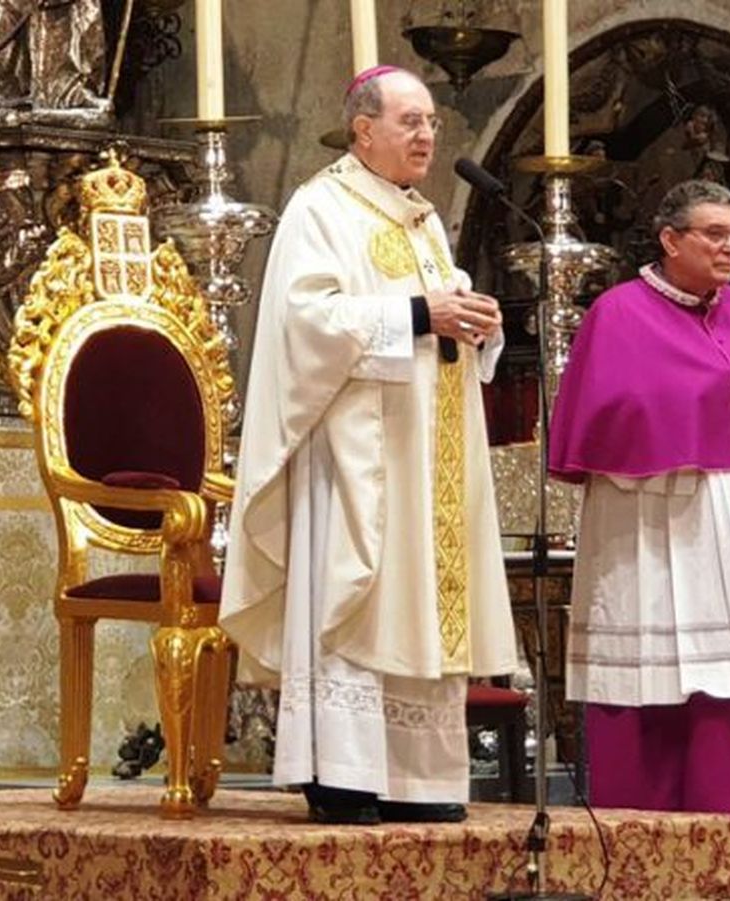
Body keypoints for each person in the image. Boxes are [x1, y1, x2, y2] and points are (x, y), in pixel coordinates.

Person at [220, 65, 518, 826]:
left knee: (423, 602)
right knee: (361, 595)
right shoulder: (322, 208)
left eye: (430, 124)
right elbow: (304, 323)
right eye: (410, 122)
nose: (427, 136)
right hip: (354, 456)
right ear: (364, 131)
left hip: (429, 455)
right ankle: (344, 772)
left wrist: (477, 321)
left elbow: (439, 318)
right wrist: (421, 312)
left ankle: (418, 778)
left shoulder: (423, 219)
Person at [548, 179, 730, 887]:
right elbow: (615, 416)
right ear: (670, 239)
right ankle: (653, 841)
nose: (729, 246)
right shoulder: (616, 313)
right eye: (714, 234)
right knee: (671, 687)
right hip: (656, 530)